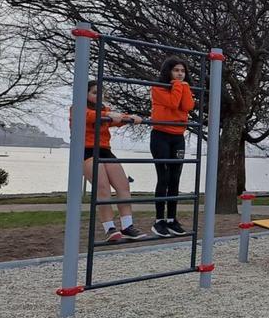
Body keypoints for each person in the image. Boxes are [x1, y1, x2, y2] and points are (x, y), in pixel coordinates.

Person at [72, 80, 147, 242]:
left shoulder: (104, 110)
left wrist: (130, 118)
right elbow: (90, 117)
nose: (99, 96)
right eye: (94, 93)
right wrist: (108, 116)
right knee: (103, 188)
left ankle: (127, 226)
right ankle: (110, 228)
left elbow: (117, 119)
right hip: (86, 150)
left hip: (105, 150)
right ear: (85, 94)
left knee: (123, 185)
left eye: (101, 93)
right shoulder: (77, 108)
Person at [149, 56, 195, 238]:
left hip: (178, 136)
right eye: (176, 70)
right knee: (164, 176)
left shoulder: (184, 87)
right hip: (161, 135)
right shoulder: (158, 88)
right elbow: (173, 103)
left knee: (175, 177)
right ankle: (159, 220)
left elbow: (188, 105)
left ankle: (171, 219)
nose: (180, 74)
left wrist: (184, 87)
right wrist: (179, 85)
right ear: (168, 71)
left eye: (183, 71)